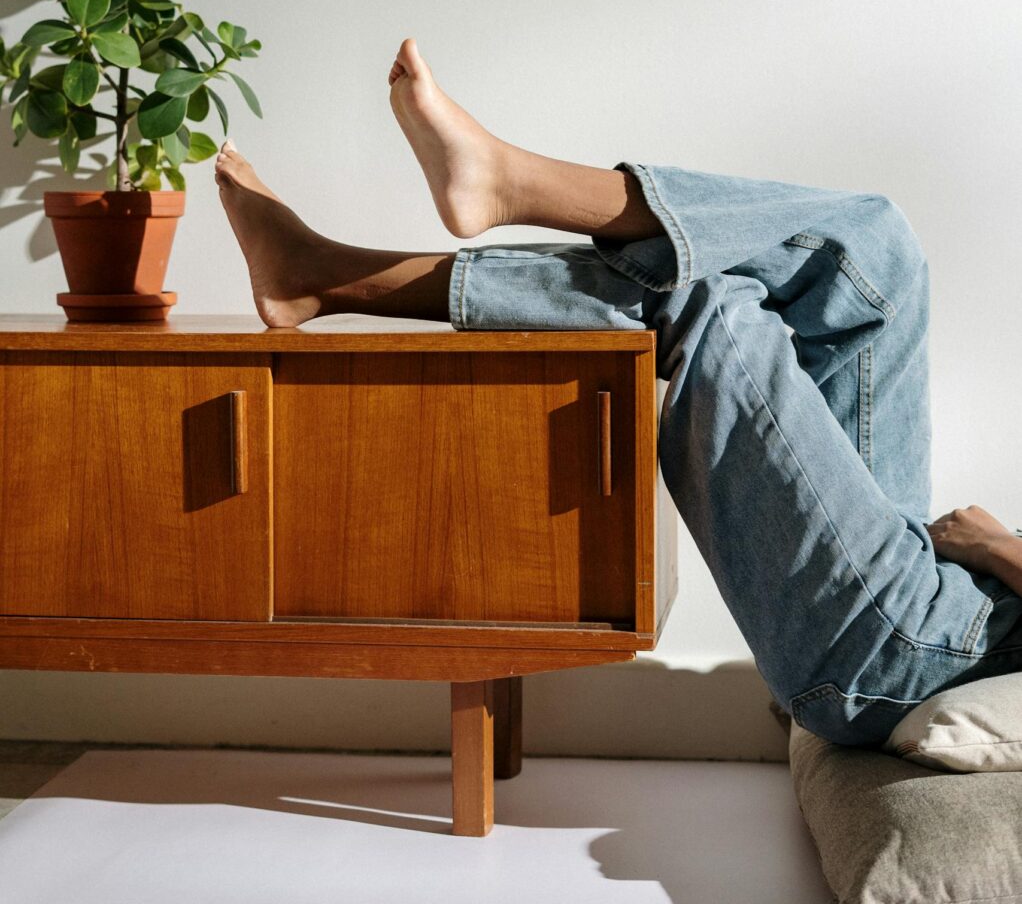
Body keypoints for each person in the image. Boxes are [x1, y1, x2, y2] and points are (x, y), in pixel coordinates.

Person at [212, 38, 1022, 747]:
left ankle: (406, 233)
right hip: (934, 605)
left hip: (916, 648)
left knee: (716, 301)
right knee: (870, 250)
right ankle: (368, 252)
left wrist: (996, 549)